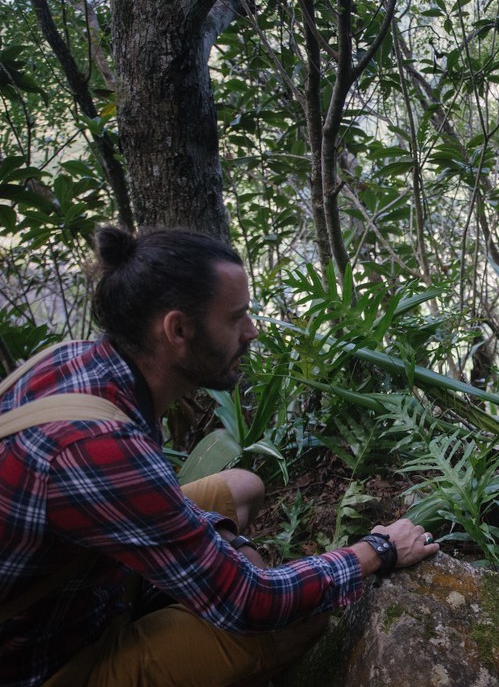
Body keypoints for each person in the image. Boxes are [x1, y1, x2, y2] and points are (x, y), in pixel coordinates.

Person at [0, 226, 440, 687]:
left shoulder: (78, 361)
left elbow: (152, 507)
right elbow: (252, 601)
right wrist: (377, 550)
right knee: (299, 621)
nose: (251, 331)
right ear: (178, 329)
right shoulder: (98, 447)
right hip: (42, 662)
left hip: (83, 593)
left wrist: (233, 561)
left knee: (242, 489)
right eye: (236, 318)